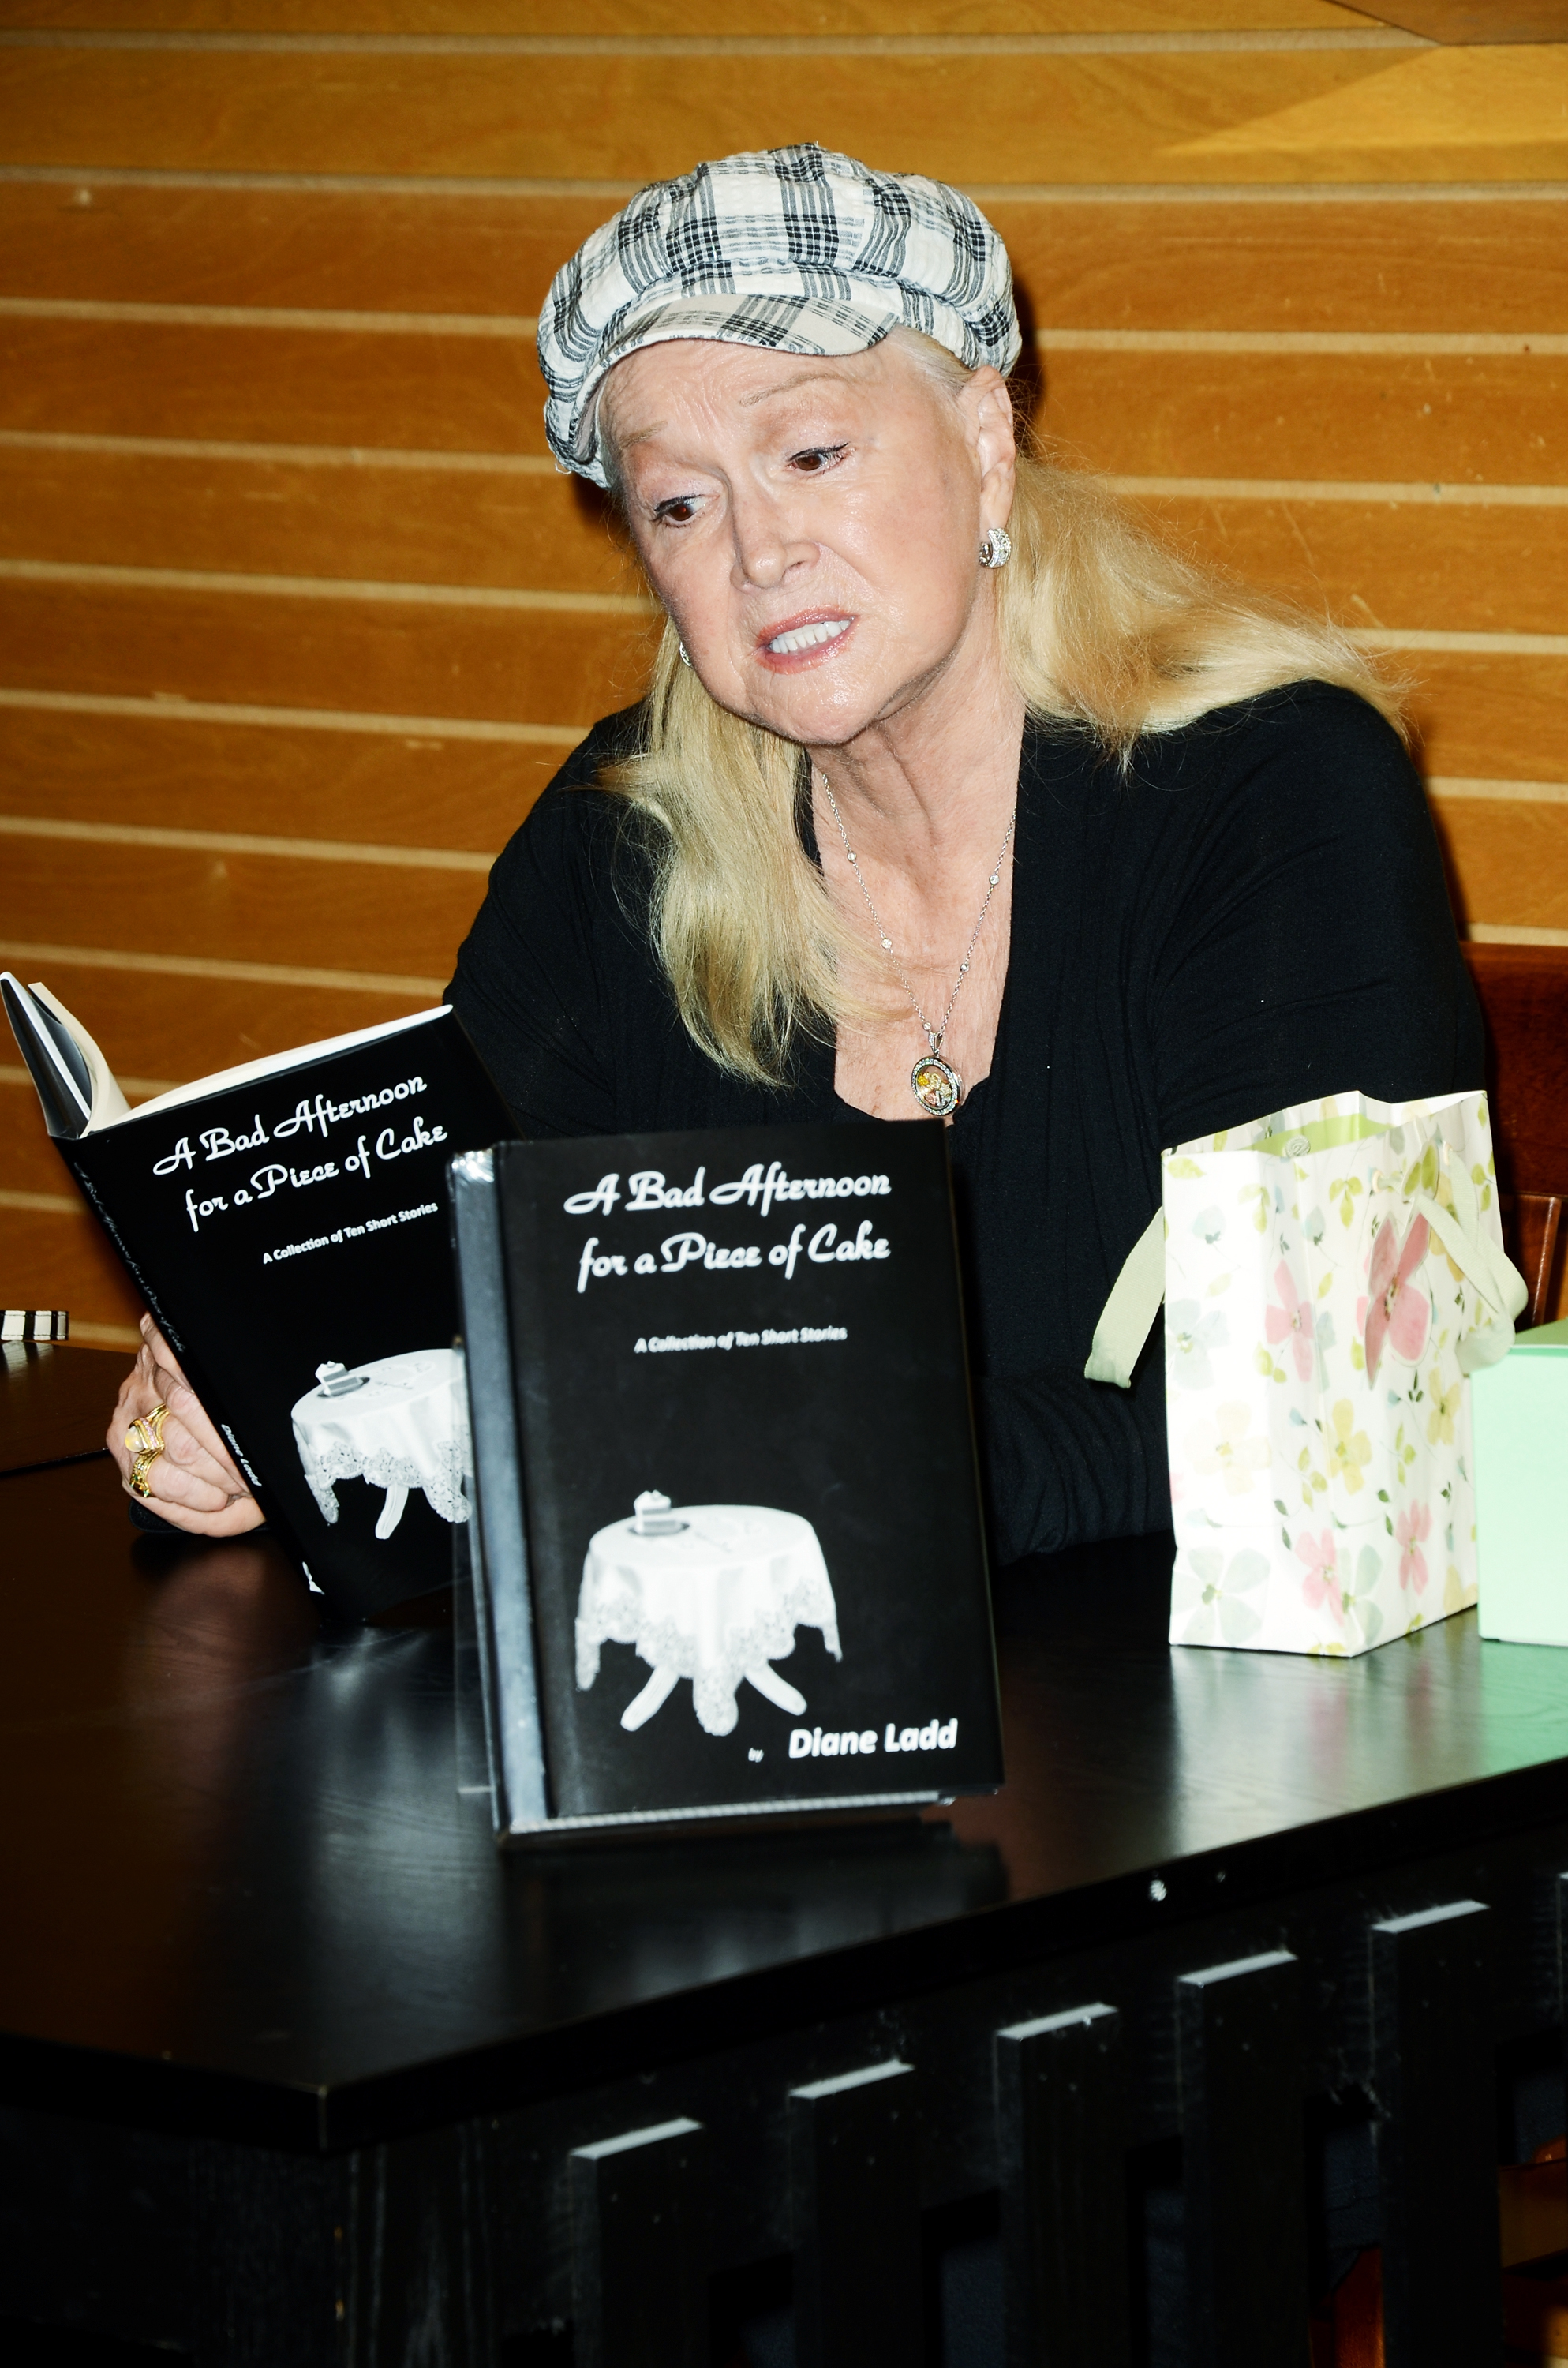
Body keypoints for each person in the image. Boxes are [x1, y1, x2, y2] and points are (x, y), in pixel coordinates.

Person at [110, 142, 1481, 1568]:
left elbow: (1333, 1400)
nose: (759, 553)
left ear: (983, 441)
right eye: (681, 505)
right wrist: (252, 1404)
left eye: (812, 454)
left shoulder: (1269, 789)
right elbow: (452, 1309)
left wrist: (793, 1460)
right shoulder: (620, 838)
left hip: (1221, 1734)